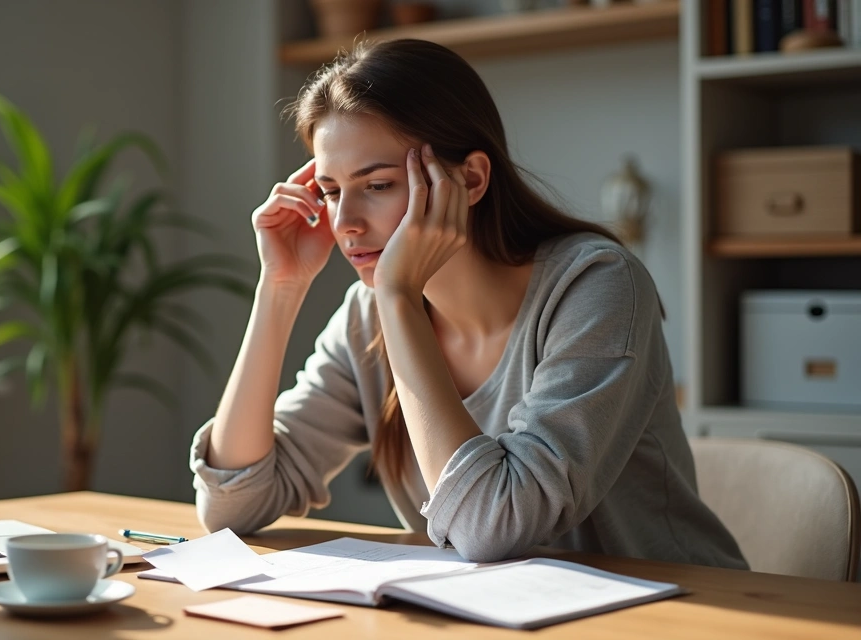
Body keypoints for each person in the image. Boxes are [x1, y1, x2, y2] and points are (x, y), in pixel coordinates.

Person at [189, 39, 747, 569]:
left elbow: (494, 526)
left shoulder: (597, 286)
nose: (345, 222)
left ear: (471, 178)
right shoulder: (370, 314)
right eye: (331, 191)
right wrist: (279, 288)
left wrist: (401, 297)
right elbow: (232, 507)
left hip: (671, 611)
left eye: (378, 185)